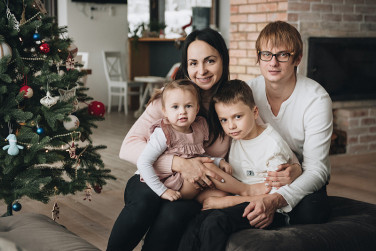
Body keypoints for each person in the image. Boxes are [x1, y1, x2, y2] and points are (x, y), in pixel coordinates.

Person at [107, 27, 302, 251]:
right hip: (153, 179)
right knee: (144, 202)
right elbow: (128, 147)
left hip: (195, 191)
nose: (201, 70)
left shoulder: (231, 102)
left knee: (174, 215)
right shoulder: (172, 99)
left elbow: (267, 135)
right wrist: (180, 163)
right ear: (185, 66)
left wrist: (295, 168)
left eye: (210, 61)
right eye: (193, 63)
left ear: (223, 60)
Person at [178, 21, 333, 251]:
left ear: (297, 59)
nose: (273, 62)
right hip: (253, 177)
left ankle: (274, 217)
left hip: (295, 176)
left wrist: (280, 192)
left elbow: (318, 170)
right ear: (258, 58)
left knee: (311, 208)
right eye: (267, 54)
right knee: (200, 218)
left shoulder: (316, 100)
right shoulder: (248, 92)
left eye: (282, 55)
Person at [137, 79, 270, 203]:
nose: (182, 111)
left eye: (188, 106)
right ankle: (247, 190)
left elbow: (197, 156)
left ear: (197, 109)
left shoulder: (197, 128)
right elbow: (143, 162)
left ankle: (253, 199)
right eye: (175, 107)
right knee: (207, 168)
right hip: (175, 186)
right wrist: (162, 191)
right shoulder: (163, 133)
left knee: (222, 195)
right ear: (165, 112)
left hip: (194, 185)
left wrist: (218, 161)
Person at [200, 79, 300, 211]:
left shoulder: (272, 146)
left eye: (237, 117)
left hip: (259, 202)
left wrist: (229, 201)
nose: (231, 126)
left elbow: (276, 197)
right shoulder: (237, 135)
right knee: (206, 170)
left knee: (213, 218)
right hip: (240, 191)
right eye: (224, 120)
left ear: (255, 112)